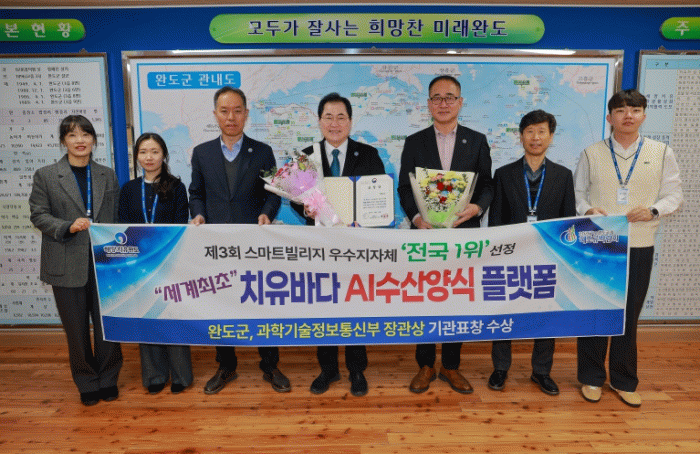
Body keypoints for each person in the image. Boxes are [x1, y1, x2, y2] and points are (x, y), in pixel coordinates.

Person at [574, 89, 682, 407]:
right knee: (595, 310)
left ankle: (623, 380)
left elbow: (674, 194)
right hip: (600, 244)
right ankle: (591, 377)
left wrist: (653, 210)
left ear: (644, 115)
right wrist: (588, 210)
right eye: (621, 110)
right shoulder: (591, 153)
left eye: (635, 110)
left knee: (628, 314)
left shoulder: (661, 152)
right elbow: (578, 193)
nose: (628, 116)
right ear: (610, 117)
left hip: (639, 243)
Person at [398, 75, 494, 394]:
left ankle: (451, 366)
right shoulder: (415, 142)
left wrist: (477, 208)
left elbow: (487, 184)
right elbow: (404, 187)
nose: (443, 103)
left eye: (449, 97)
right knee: (426, 300)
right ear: (428, 104)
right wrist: (416, 218)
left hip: (462, 234)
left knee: (457, 300)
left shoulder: (477, 140)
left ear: (460, 102)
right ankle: (425, 365)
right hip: (425, 237)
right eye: (437, 98)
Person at [189, 86, 288, 394]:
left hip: (254, 243)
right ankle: (226, 365)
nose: (230, 117)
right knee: (221, 305)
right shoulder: (202, 153)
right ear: (215, 114)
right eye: (224, 111)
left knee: (262, 304)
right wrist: (199, 215)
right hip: (217, 244)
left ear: (246, 114)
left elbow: (273, 194)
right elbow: (196, 193)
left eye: (237, 111)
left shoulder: (263, 151)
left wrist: (267, 214)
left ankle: (270, 365)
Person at [291, 92, 386, 397]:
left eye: (341, 117)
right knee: (324, 308)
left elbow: (378, 197)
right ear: (319, 121)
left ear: (350, 121)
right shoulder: (306, 156)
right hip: (320, 247)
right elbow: (295, 199)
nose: (335, 123)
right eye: (328, 117)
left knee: (355, 307)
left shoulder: (368, 154)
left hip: (356, 247)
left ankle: (357, 370)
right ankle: (328, 369)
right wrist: (305, 209)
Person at [28, 115, 123, 406]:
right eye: (72, 135)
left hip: (104, 261)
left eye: (85, 134)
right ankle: (86, 381)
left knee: (108, 325)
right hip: (66, 260)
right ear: (63, 141)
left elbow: (116, 217)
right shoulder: (46, 175)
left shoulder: (107, 174)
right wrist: (67, 226)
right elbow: (38, 215)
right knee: (76, 329)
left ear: (94, 139)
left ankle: (108, 378)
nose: (80, 140)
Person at [487, 109, 576, 396]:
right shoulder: (503, 174)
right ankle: (501, 367)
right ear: (521, 136)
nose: (535, 137)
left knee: (547, 313)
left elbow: (568, 221)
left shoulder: (563, 175)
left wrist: (563, 258)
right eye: (529, 132)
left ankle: (541, 371)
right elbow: (496, 220)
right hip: (511, 257)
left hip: (548, 258)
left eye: (541, 132)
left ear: (551, 136)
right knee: (505, 310)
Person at [118, 132, 193, 395]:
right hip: (139, 265)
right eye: (143, 152)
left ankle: (181, 375)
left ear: (164, 155)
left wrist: (161, 255)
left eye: (154, 151)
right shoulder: (128, 189)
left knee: (172, 316)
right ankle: (154, 376)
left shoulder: (177, 187)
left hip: (169, 262)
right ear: (137, 157)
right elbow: (122, 226)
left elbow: (181, 225)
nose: (148, 157)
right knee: (147, 316)